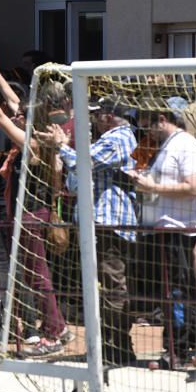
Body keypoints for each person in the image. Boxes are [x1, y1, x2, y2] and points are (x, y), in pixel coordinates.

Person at [0, 67, 70, 356]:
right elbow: (11, 104)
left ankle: (55, 330)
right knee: (33, 274)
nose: (16, 117)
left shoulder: (32, 143)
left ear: (29, 119)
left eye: (21, 116)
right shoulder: (35, 137)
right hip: (26, 214)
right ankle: (54, 326)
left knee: (38, 276)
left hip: (32, 216)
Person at [38, 97, 138, 364]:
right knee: (102, 287)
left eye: (97, 114)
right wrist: (62, 148)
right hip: (100, 222)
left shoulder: (119, 137)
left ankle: (115, 347)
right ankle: (112, 347)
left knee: (112, 287)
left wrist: (62, 146)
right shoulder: (109, 139)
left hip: (109, 223)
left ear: (108, 116)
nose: (93, 119)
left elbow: (85, 163)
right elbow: (77, 174)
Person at [128, 99, 196, 367]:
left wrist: (154, 187)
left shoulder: (187, 144)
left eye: (148, 124)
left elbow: (195, 187)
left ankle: (183, 345)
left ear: (161, 119)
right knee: (167, 293)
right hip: (154, 228)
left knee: (176, 292)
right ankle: (188, 342)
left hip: (177, 229)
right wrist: (138, 176)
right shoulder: (153, 144)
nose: (145, 131)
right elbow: (136, 166)